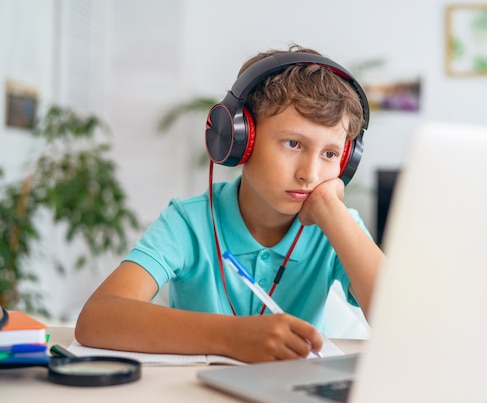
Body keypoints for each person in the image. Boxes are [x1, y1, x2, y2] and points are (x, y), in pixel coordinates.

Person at [75, 45, 385, 363]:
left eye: (330, 154)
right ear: (238, 140)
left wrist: (329, 208)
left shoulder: (335, 226)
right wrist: (232, 336)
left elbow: (402, 322)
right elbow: (97, 317)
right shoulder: (188, 222)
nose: (310, 173)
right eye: (293, 144)